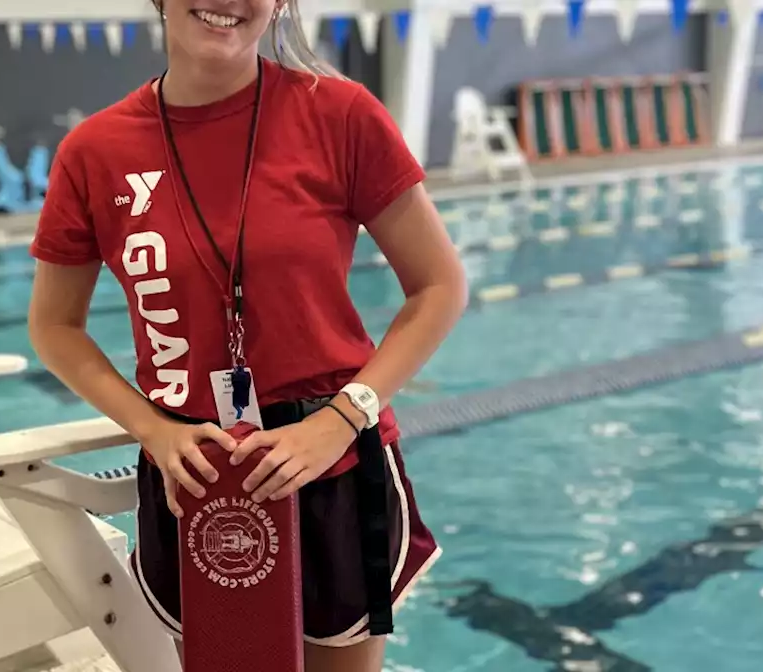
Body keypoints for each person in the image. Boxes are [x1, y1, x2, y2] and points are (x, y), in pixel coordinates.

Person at [27, 1, 468, 670]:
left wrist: (344, 418)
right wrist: (153, 429)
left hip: (333, 462)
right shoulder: (96, 152)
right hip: (194, 474)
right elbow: (55, 327)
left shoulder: (339, 115)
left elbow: (439, 287)